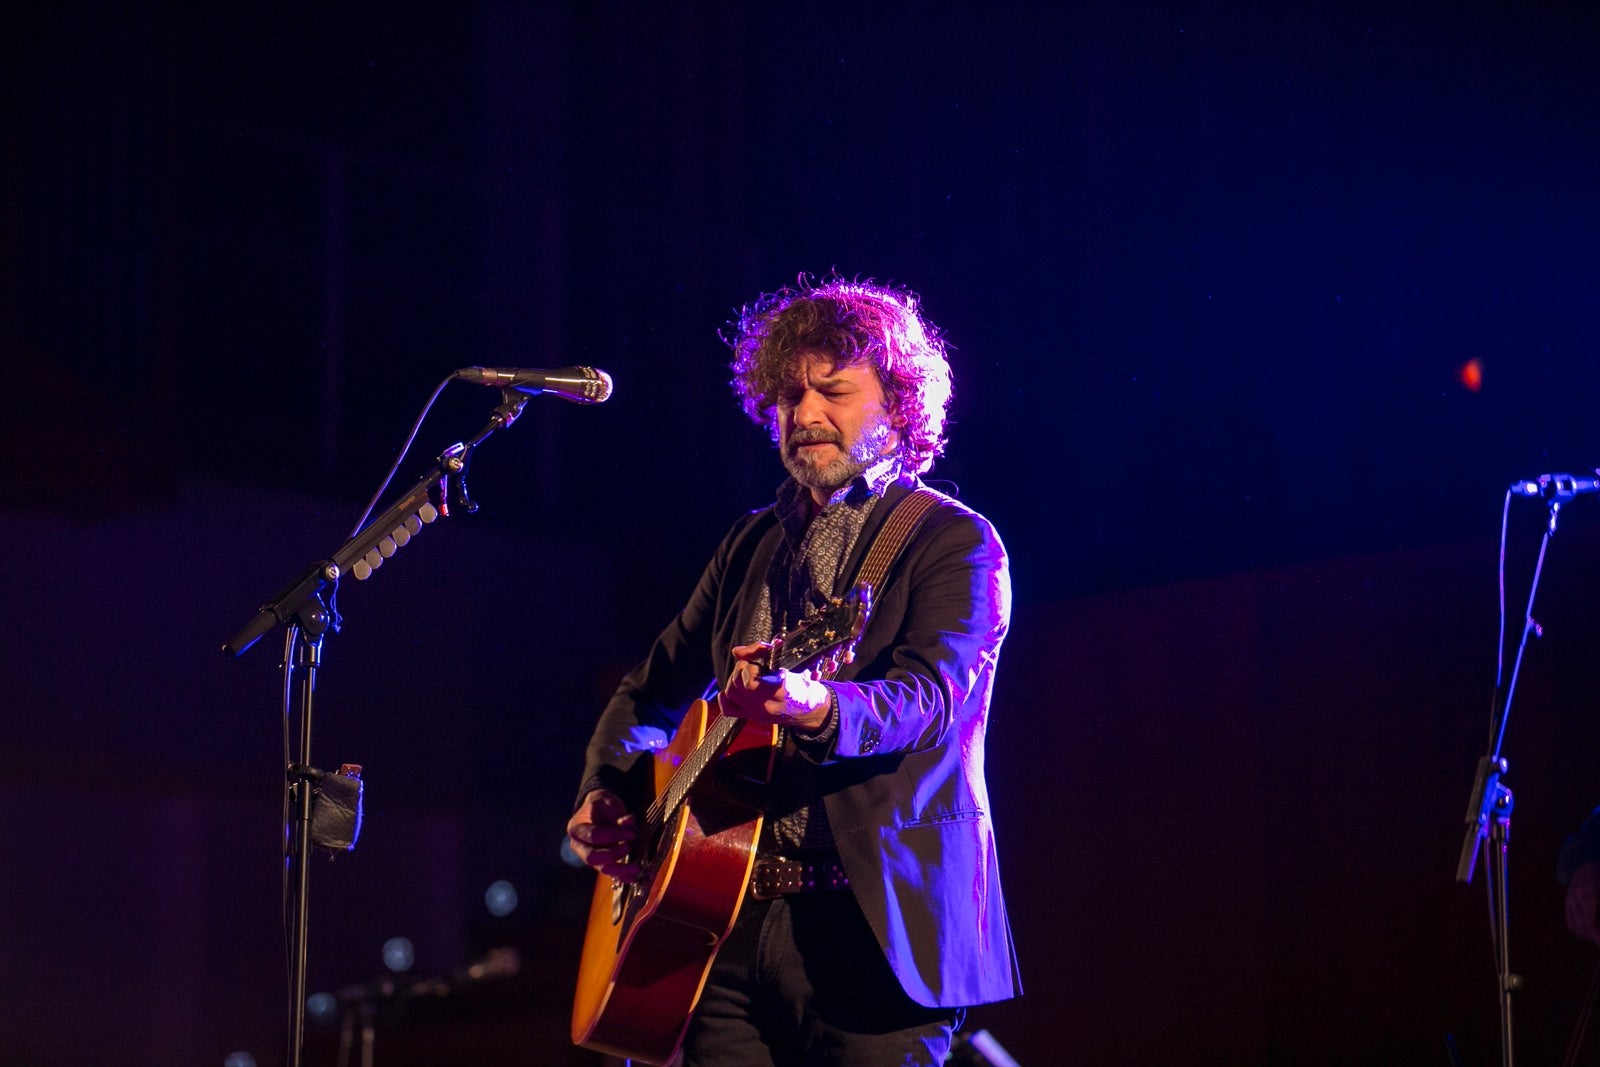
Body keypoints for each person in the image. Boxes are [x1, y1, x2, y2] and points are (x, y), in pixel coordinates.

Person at [566, 275, 1020, 1066]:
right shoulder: (749, 544)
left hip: (876, 936)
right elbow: (649, 689)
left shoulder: (955, 541)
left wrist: (815, 704)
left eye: (833, 390)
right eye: (788, 393)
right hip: (722, 929)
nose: (805, 413)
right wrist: (606, 791)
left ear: (900, 406)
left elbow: (931, 698)